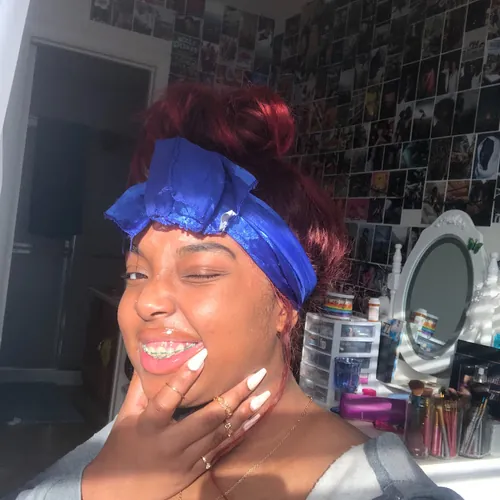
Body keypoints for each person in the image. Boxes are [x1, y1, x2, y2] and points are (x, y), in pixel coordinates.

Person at [3, 84, 463, 500]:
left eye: (201, 273)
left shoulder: (381, 490)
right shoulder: (125, 447)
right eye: (137, 274)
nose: (146, 301)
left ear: (284, 308)